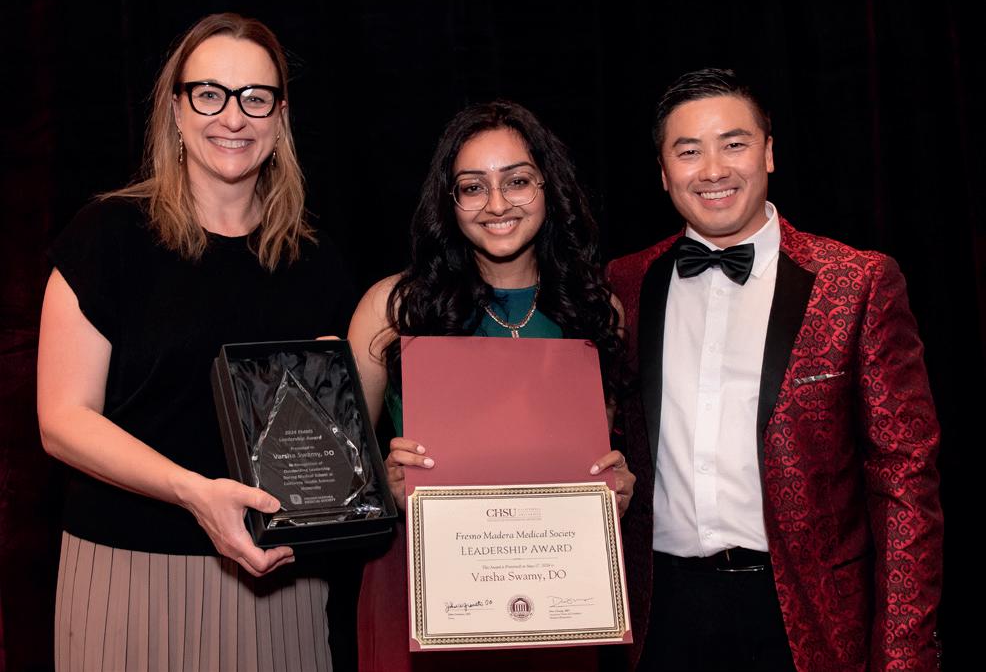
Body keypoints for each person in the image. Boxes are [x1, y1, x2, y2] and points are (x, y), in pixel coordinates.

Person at [37, 13, 354, 670]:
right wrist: (193, 491)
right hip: (128, 575)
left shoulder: (315, 261)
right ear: (176, 110)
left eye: (255, 97)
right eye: (210, 94)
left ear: (280, 117)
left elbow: (327, 437)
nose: (233, 117)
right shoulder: (106, 236)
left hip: (279, 582)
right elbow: (62, 421)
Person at [607, 68, 943, 671]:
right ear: (662, 171)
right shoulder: (624, 284)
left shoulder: (856, 282)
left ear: (768, 152)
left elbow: (904, 484)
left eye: (733, 144)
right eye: (689, 151)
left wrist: (903, 656)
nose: (713, 170)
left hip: (807, 623)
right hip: (659, 617)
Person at [348, 100, 634, 671]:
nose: (497, 204)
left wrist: (614, 489)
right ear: (449, 202)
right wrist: (384, 483)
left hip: (557, 597)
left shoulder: (598, 311)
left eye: (518, 181)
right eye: (473, 187)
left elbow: (592, 459)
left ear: (548, 187)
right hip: (422, 591)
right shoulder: (393, 308)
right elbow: (339, 482)